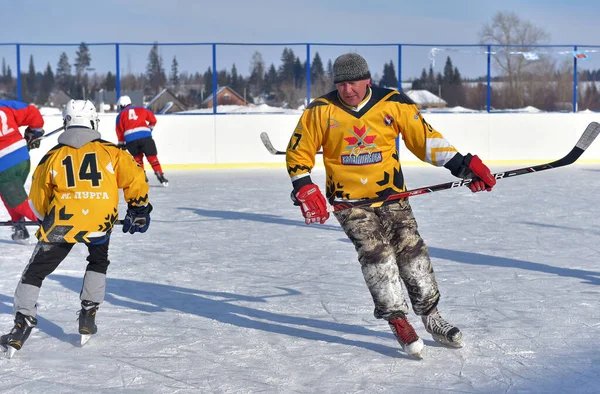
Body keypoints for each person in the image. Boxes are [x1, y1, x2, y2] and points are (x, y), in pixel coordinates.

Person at [285, 53, 496, 359]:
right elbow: (297, 154)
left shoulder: (394, 103)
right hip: (350, 202)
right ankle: (397, 319)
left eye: (353, 82)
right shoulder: (320, 110)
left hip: (392, 196)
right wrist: (303, 187)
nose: (348, 90)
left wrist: (464, 166)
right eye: (341, 84)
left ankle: (431, 315)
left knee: (412, 250)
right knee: (376, 254)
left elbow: (425, 140)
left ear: (367, 80)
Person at [0, 99, 153, 358]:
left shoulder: (52, 156)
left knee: (35, 272)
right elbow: (135, 176)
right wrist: (139, 208)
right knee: (98, 261)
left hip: (62, 221)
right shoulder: (111, 151)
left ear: (65, 123)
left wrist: (44, 218)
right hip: (99, 221)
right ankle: (88, 314)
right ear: (93, 121)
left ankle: (21, 324)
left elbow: (38, 200)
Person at [0, 100, 45, 243]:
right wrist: (34, 133)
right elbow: (32, 112)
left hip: (4, 166)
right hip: (22, 158)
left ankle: (53, 224)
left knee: (18, 201)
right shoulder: (4, 105)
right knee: (9, 194)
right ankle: (19, 225)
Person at [115, 95, 168, 187]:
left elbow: (120, 131)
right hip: (145, 138)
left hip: (131, 140)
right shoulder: (142, 109)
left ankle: (142, 176)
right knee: (152, 157)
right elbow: (153, 120)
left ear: (121, 105)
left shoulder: (120, 116)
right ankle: (160, 174)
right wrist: (148, 130)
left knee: (138, 159)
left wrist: (121, 144)